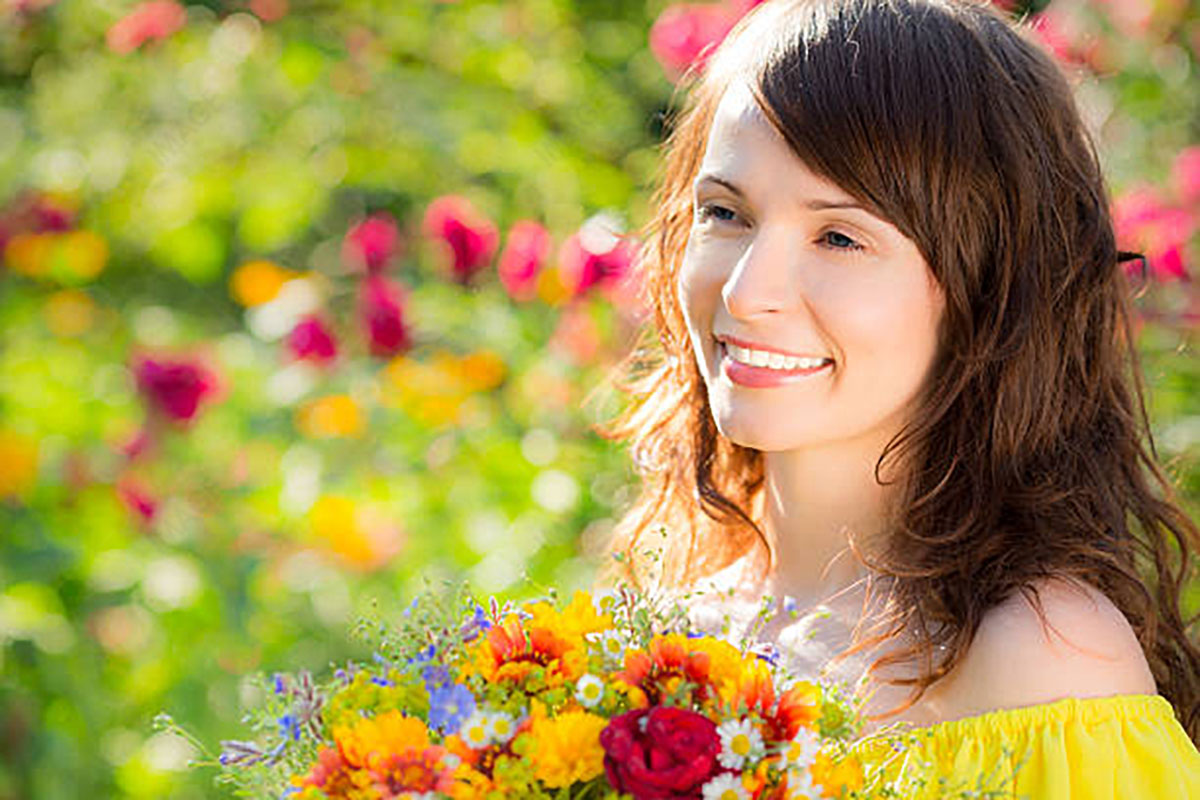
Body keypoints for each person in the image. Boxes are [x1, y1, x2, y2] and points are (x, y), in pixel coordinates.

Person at [596, 0, 1200, 795]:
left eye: (839, 236)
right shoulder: (653, 630)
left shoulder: (1039, 664)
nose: (746, 294)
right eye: (725, 214)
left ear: (989, 283)